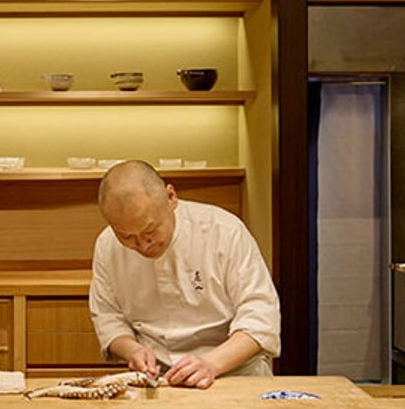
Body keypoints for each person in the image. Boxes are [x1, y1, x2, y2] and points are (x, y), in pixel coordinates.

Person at [89, 160, 280, 387]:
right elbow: (108, 316)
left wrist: (211, 364)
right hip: (157, 379)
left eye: (150, 230)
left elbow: (260, 317)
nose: (142, 244)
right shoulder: (107, 245)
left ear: (171, 198)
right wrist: (133, 351)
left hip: (234, 371)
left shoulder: (224, 231)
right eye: (126, 237)